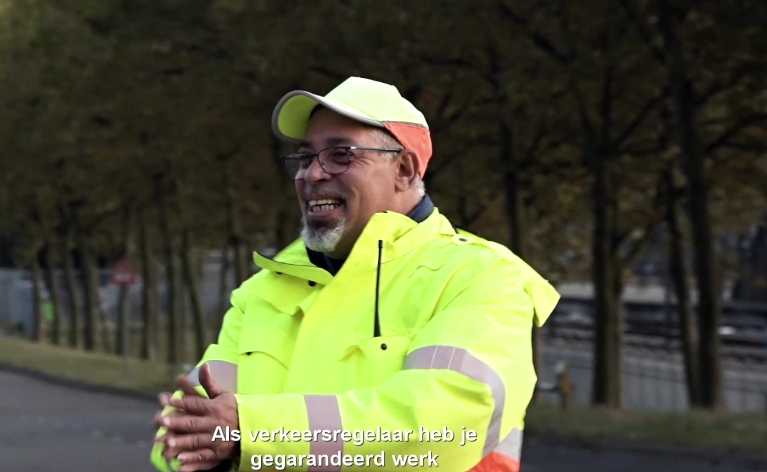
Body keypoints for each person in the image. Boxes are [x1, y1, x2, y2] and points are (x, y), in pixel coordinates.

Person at [150, 76, 560, 472]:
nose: (313, 174)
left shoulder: (480, 277)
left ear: (404, 170)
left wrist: (252, 431)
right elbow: (187, 427)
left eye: (340, 154)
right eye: (306, 157)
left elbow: (442, 429)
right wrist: (209, 454)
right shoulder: (262, 292)